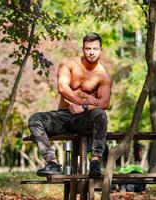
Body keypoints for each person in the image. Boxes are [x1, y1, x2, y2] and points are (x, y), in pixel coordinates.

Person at [28, 32, 112, 176]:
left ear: (100, 50)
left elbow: (104, 103)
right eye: (88, 49)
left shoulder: (103, 75)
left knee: (100, 114)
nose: (91, 52)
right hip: (63, 116)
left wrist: (83, 107)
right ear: (83, 49)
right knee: (35, 120)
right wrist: (82, 101)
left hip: (84, 120)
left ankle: (95, 162)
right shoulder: (69, 64)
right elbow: (62, 88)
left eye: (95, 49)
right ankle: (52, 163)